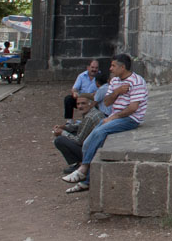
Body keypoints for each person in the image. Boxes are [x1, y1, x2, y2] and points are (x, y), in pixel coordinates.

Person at [62, 54, 148, 193]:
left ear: (123, 67)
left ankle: (83, 170)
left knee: (99, 132)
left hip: (130, 119)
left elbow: (133, 108)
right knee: (87, 144)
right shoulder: (115, 82)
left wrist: (113, 118)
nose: (110, 68)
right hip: (115, 116)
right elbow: (107, 101)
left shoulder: (137, 81)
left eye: (113, 66)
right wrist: (118, 91)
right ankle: (86, 180)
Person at [52, 86, 110, 175]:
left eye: (83, 103)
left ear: (90, 104)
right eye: (78, 104)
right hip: (94, 145)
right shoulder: (94, 112)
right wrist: (65, 127)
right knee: (70, 132)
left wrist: (62, 132)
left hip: (92, 151)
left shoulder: (89, 117)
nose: (80, 106)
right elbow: (80, 125)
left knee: (59, 140)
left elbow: (79, 141)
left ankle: (80, 163)